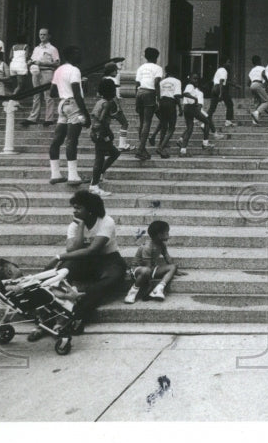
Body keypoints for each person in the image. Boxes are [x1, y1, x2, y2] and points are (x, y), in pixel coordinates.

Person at [30, 190, 126, 338]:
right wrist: (80, 226)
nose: (74, 211)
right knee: (58, 276)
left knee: (111, 280)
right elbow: (72, 249)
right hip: (84, 261)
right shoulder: (74, 225)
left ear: (90, 211)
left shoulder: (107, 221)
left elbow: (93, 250)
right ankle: (45, 320)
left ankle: (77, 315)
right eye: (74, 207)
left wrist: (57, 257)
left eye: (78, 208)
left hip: (108, 259)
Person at [48, 45, 91, 186]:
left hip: (62, 104)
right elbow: (77, 94)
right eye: (77, 53)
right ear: (71, 55)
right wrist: (86, 114)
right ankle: (73, 176)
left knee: (57, 139)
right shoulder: (74, 70)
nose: (80, 56)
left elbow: (52, 92)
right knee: (72, 140)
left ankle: (55, 174)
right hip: (73, 104)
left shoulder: (59, 70)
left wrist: (63, 90)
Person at [88, 78, 127, 197]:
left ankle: (99, 176)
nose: (115, 91)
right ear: (110, 91)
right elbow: (102, 120)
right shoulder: (107, 104)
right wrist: (108, 134)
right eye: (114, 89)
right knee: (99, 159)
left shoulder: (100, 102)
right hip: (100, 133)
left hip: (95, 132)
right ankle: (94, 185)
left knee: (114, 153)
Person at [125, 220, 178, 303]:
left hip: (151, 268)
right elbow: (147, 267)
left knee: (173, 266)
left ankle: (159, 288)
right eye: (167, 232)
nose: (169, 235)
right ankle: (132, 292)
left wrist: (175, 270)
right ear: (160, 235)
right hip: (138, 270)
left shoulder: (162, 244)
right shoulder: (148, 247)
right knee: (146, 270)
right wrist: (149, 286)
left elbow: (167, 257)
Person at [24, 28, 61, 127]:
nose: (42, 36)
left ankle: (49, 118)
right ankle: (33, 117)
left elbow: (57, 63)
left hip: (47, 72)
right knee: (36, 95)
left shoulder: (52, 49)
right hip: (36, 72)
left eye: (44, 34)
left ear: (49, 36)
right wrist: (29, 62)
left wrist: (43, 63)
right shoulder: (37, 48)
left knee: (48, 96)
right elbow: (32, 59)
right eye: (40, 34)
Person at [133, 47, 163, 160]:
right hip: (150, 93)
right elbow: (156, 83)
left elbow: (136, 84)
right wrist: (158, 99)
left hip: (140, 92)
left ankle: (142, 148)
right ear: (156, 57)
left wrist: (136, 98)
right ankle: (140, 149)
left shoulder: (141, 67)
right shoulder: (158, 68)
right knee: (147, 122)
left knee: (142, 122)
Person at [178, 74, 214, 154]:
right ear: (190, 79)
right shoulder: (190, 86)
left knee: (189, 129)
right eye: (194, 78)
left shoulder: (192, 87)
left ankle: (183, 151)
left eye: (197, 79)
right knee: (207, 122)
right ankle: (205, 143)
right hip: (191, 108)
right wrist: (195, 98)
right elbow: (185, 93)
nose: (196, 80)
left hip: (187, 108)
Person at [154, 65, 182, 158]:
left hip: (162, 102)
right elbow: (177, 96)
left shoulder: (162, 82)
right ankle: (161, 147)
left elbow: (158, 93)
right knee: (171, 127)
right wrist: (180, 108)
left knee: (163, 125)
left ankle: (161, 145)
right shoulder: (177, 81)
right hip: (171, 103)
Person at [101, 61, 131, 151]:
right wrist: (118, 106)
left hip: (104, 103)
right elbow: (114, 95)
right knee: (124, 123)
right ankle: (122, 144)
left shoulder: (103, 79)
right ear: (111, 71)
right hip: (112, 104)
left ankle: (106, 146)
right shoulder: (113, 80)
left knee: (106, 126)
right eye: (115, 70)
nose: (117, 72)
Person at [209, 59, 236, 127]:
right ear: (224, 63)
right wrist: (220, 93)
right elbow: (221, 81)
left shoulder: (218, 70)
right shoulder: (224, 70)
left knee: (212, 107)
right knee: (230, 104)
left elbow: (214, 80)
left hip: (214, 88)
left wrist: (234, 85)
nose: (230, 64)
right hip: (220, 88)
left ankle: (205, 121)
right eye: (229, 62)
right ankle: (228, 121)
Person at [248, 55, 268, 125]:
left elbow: (248, 82)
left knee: (258, 102)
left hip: (252, 85)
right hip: (258, 84)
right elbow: (264, 75)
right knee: (266, 101)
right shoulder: (262, 68)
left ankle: (255, 121)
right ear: (259, 61)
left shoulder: (252, 70)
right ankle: (256, 113)